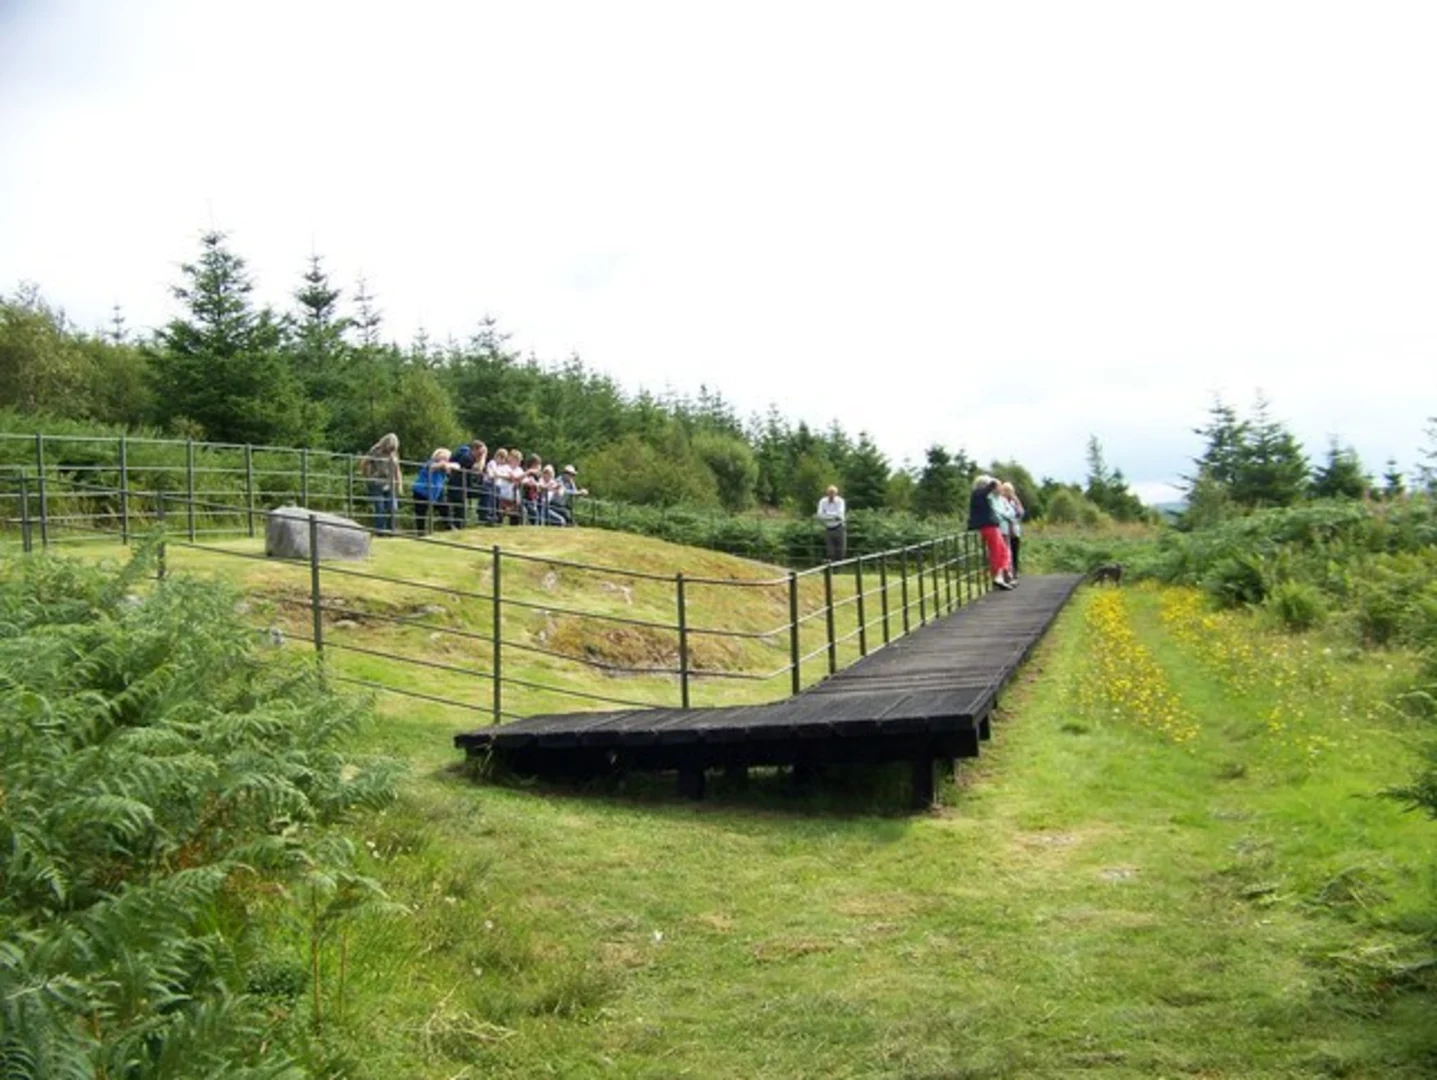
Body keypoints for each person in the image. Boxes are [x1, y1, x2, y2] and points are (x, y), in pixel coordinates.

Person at [968, 475, 1013, 590]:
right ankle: (998, 576)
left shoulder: (980, 495)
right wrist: (993, 483)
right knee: (998, 552)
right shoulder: (978, 493)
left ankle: (1000, 575)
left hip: (990, 526)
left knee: (1002, 551)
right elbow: (991, 486)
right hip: (988, 527)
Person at [359, 432, 401, 535]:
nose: (390, 451)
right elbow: (364, 463)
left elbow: (397, 468)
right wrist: (368, 477)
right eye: (389, 448)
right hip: (376, 483)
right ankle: (380, 532)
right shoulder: (375, 451)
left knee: (393, 507)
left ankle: (392, 531)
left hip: (390, 483)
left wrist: (399, 483)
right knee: (380, 507)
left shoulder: (394, 453)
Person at [412, 448, 455, 535]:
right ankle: (420, 533)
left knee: (445, 508)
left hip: (435, 493)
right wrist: (443, 464)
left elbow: (457, 466)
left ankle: (449, 527)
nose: (446, 459)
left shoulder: (444, 468)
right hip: (422, 492)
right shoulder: (430, 462)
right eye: (444, 456)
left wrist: (448, 465)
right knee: (421, 513)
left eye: (447, 457)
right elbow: (431, 467)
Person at [1000, 481, 1024, 579]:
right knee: (1006, 552)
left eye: (1010, 491)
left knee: (1015, 551)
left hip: (1015, 530)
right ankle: (1007, 572)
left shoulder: (1014, 502)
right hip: (1005, 530)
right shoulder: (1001, 501)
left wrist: (1017, 502)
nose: (1008, 493)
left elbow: (1021, 513)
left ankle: (1015, 571)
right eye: (1006, 491)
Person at [816, 484, 846, 561]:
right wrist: (833, 517)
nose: (831, 495)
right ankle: (832, 566)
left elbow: (839, 515)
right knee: (830, 552)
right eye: (830, 493)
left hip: (839, 527)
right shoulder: (822, 501)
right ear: (827, 493)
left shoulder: (840, 501)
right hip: (828, 529)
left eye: (833, 493)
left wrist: (826, 515)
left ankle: (840, 567)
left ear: (836, 494)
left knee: (840, 551)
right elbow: (819, 515)